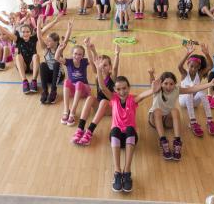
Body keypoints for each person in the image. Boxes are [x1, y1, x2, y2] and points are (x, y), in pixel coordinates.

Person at [95, 57, 162, 193]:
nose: (122, 92)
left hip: (130, 139)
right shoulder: (113, 99)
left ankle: (127, 171)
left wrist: (153, 89)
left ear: (128, 88)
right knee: (114, 130)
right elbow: (102, 86)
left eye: (124, 88)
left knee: (131, 129)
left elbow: (144, 95)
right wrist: (98, 68)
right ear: (115, 90)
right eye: (118, 89)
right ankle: (117, 171)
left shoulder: (132, 99)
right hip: (117, 138)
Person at [72, 41, 120, 145]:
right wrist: (90, 49)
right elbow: (93, 60)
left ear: (110, 67)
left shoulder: (112, 77)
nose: (102, 67)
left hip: (110, 107)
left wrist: (117, 54)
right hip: (99, 106)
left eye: (105, 65)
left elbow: (115, 68)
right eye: (101, 65)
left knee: (103, 101)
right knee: (90, 98)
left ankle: (89, 131)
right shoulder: (97, 75)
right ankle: (80, 129)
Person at [178, 43, 214, 137]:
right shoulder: (184, 73)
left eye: (196, 67)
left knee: (202, 93)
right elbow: (179, 66)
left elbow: (211, 66)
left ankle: (210, 120)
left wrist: (207, 54)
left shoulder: (199, 74)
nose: (193, 69)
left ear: (199, 67)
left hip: (195, 102)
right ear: (188, 64)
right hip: (183, 101)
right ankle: (193, 122)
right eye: (191, 66)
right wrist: (187, 53)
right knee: (189, 92)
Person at [56, 27, 92, 126]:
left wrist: (88, 47)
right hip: (74, 91)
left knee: (79, 83)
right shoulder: (69, 62)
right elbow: (57, 58)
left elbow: (92, 60)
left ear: (83, 55)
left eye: (80, 54)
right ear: (72, 54)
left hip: (83, 90)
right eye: (75, 54)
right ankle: (66, 110)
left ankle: (73, 112)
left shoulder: (84, 61)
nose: (77, 56)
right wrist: (60, 49)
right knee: (67, 81)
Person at [37, 15, 68, 104]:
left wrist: (69, 29)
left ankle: (53, 90)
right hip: (48, 76)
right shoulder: (46, 48)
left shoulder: (59, 48)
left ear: (56, 42)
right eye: (47, 40)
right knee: (42, 64)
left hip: (58, 75)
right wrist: (38, 25)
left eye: (49, 41)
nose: (47, 42)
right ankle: (45, 91)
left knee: (56, 63)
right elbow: (39, 36)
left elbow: (66, 40)